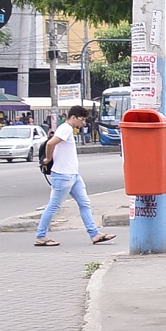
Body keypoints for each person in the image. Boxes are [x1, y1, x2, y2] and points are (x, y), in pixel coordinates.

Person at [35, 105, 115, 246]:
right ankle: (41, 236)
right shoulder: (65, 128)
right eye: (82, 120)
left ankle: (94, 234)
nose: (83, 123)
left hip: (73, 175)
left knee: (84, 204)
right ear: (73, 117)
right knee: (54, 206)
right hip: (63, 175)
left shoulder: (67, 129)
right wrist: (47, 159)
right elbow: (50, 144)